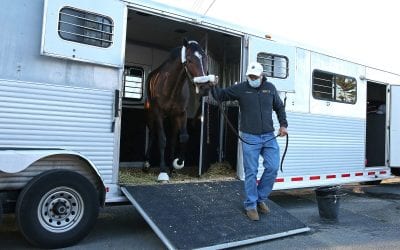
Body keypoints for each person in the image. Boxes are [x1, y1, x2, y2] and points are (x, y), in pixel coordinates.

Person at [211, 62, 288, 221]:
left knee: (273, 167)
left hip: (269, 136)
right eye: (249, 76)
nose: (251, 79)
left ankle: (260, 198)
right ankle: (251, 205)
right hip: (249, 136)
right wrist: (214, 85)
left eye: (254, 77)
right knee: (251, 171)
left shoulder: (271, 88)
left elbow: (279, 107)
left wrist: (283, 125)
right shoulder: (241, 88)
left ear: (261, 76)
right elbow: (220, 96)